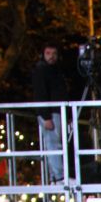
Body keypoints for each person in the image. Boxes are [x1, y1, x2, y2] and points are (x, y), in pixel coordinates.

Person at [31, 41, 66, 181]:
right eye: (48, 53)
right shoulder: (41, 70)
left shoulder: (56, 70)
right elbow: (40, 93)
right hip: (50, 113)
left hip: (57, 112)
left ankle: (56, 175)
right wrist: (45, 116)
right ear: (43, 54)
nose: (51, 56)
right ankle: (58, 176)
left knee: (56, 143)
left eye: (54, 54)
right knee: (53, 143)